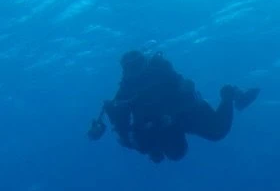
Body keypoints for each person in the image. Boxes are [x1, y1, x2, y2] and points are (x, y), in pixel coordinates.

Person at [88, 50, 258, 163]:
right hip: (162, 125)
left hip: (184, 112)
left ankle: (230, 93)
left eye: (137, 65)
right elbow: (121, 127)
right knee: (212, 135)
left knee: (217, 132)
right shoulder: (125, 91)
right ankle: (230, 94)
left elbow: (187, 91)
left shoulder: (159, 71)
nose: (136, 72)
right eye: (132, 68)